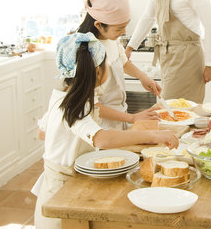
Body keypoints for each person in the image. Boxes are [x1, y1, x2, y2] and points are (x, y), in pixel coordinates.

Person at [32, 32, 178, 229]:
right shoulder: (76, 104)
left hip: (64, 183)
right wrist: (155, 134)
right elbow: (101, 139)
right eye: (107, 63)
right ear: (99, 72)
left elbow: (42, 133)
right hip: (61, 194)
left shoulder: (62, 96)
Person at [78, 0, 162, 130]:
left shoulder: (110, 38)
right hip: (100, 124)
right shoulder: (86, 53)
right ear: (98, 25)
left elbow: (122, 61)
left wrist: (142, 77)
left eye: (125, 26)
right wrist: (133, 117)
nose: (123, 32)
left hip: (120, 116)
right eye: (118, 28)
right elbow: (91, 105)